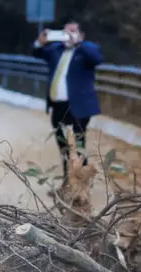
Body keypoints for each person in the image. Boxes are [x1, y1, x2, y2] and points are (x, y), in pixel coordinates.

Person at [33, 22, 102, 179]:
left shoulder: (86, 50)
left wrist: (78, 43)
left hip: (78, 107)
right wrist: (40, 41)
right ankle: (68, 182)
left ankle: (81, 185)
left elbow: (96, 58)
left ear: (81, 35)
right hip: (58, 107)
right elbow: (37, 53)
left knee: (77, 146)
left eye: (72, 31)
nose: (68, 35)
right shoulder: (56, 50)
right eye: (65, 32)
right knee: (63, 146)